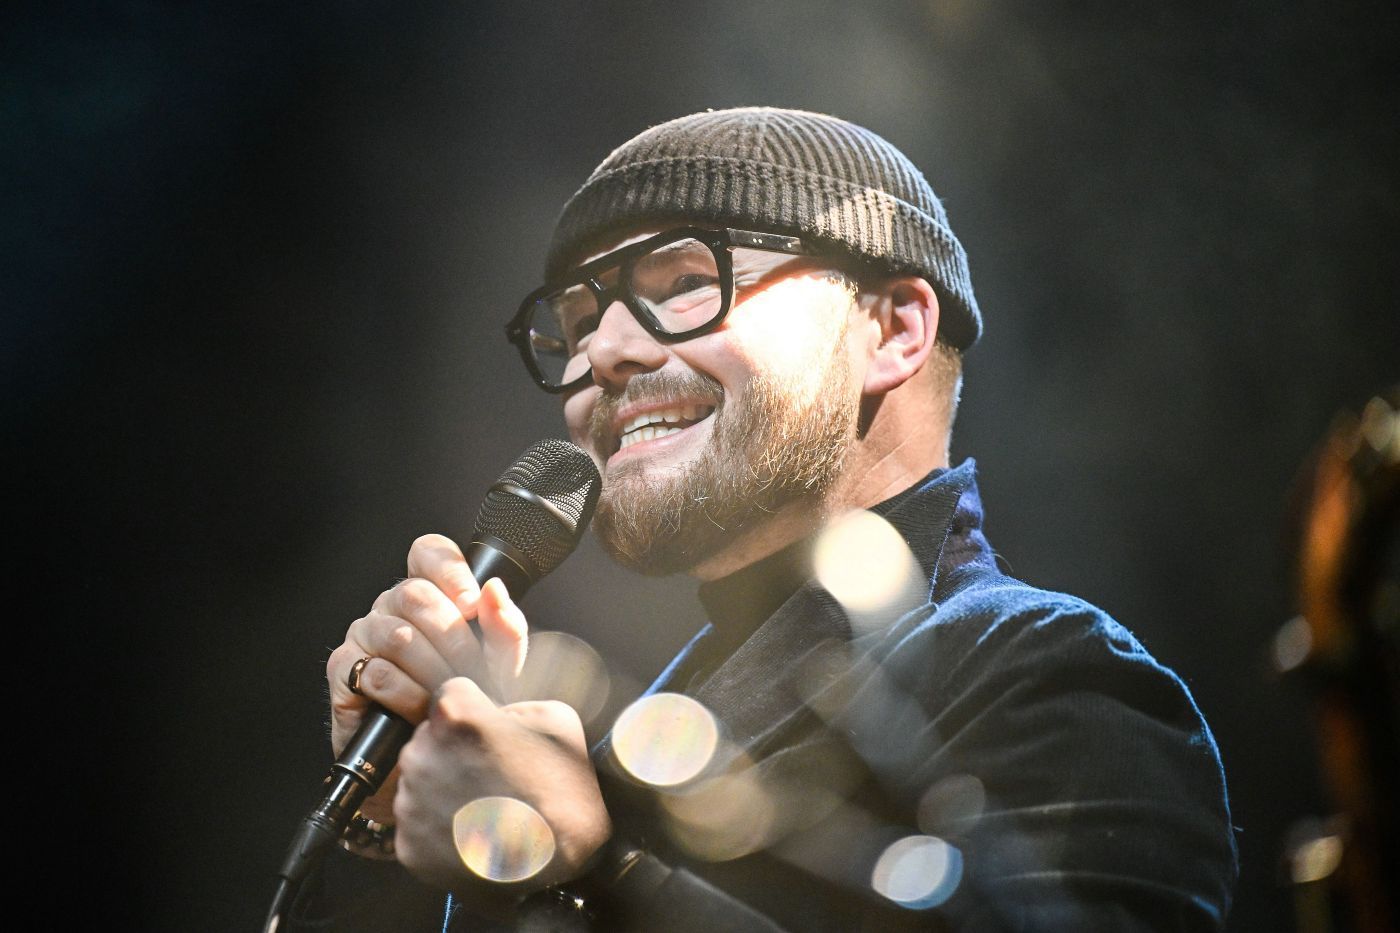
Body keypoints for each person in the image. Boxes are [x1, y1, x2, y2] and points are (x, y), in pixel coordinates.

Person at [285, 107, 1239, 931]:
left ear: (894, 329)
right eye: (575, 325)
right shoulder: (633, 741)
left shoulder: (1055, 683)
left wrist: (594, 867)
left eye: (684, 283)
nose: (601, 354)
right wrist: (395, 819)